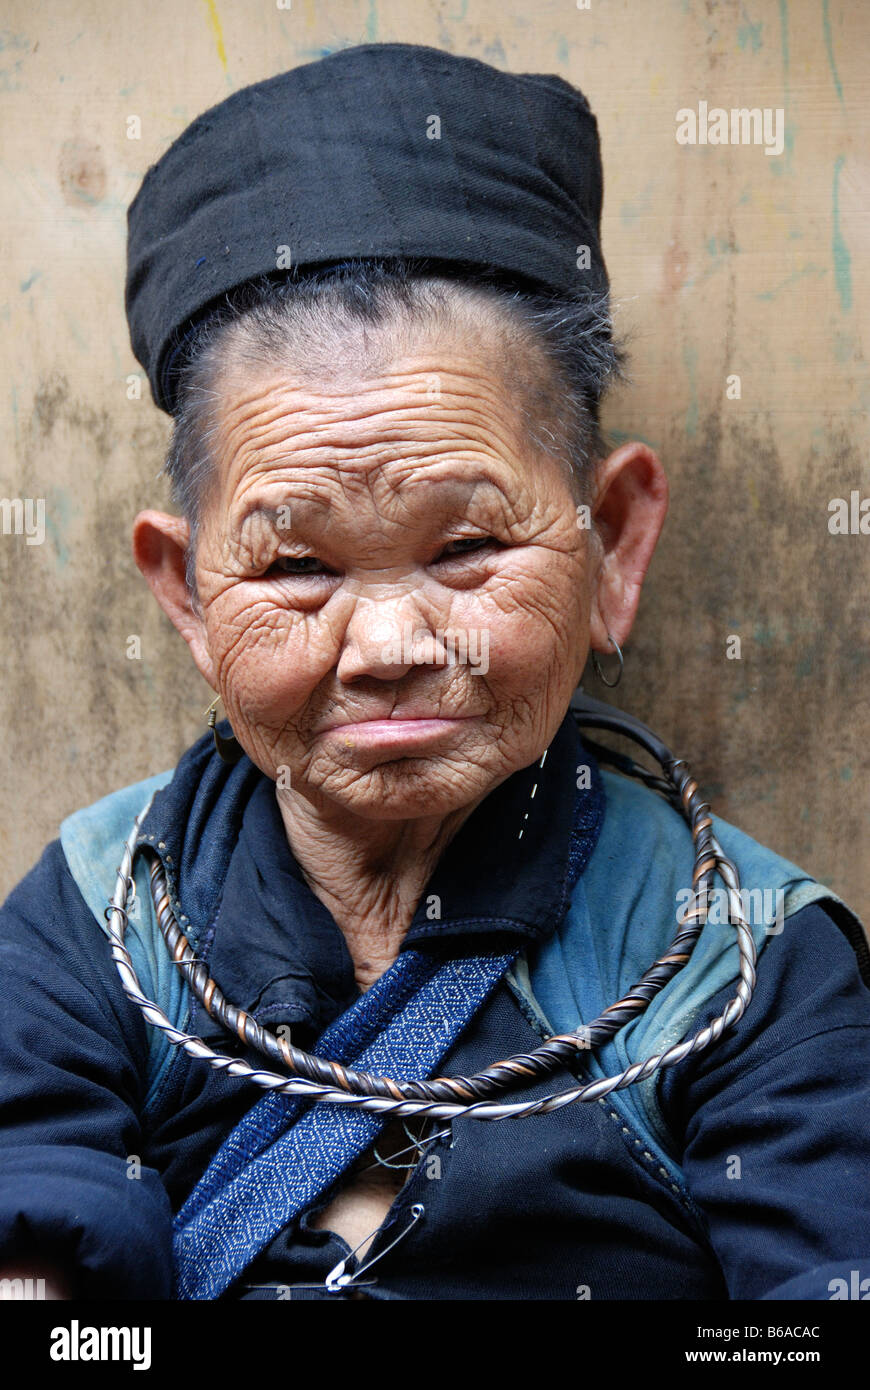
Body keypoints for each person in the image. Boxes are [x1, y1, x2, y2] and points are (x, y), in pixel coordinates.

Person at [1, 42, 868, 1302]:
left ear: (611, 542)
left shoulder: (743, 967)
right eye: (297, 566)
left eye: (466, 547)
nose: (390, 646)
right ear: (188, 593)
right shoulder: (100, 916)